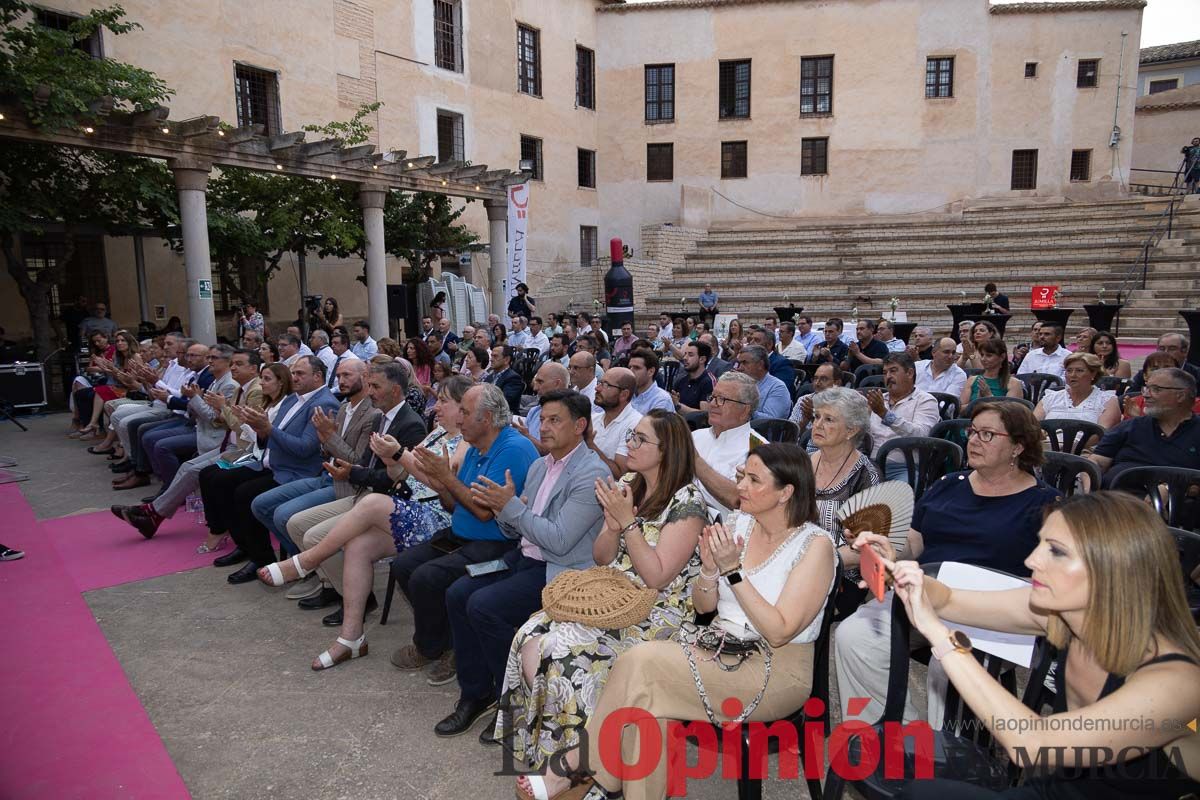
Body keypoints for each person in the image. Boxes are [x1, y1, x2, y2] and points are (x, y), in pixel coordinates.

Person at [523, 444, 838, 800]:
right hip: (720, 648)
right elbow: (705, 606)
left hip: (775, 671)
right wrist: (708, 570)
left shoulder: (815, 546)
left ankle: (574, 768)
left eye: (754, 480)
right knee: (647, 710)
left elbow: (779, 631)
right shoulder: (741, 525)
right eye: (742, 477)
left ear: (786, 493)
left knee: (643, 661)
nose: (741, 487)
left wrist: (733, 572)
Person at [886, 492, 1200, 800]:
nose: (1031, 560)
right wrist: (898, 573)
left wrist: (939, 635)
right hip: (1055, 790)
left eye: (1057, 551)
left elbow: (1031, 742)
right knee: (918, 792)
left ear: (1115, 568)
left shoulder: (1176, 682)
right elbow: (949, 599)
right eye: (1040, 544)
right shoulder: (1063, 615)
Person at [495, 410, 707, 769]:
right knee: (529, 637)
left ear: (667, 450)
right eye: (632, 436)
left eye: (640, 439)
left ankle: (581, 763)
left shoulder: (688, 503)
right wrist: (611, 528)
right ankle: (576, 751)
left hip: (658, 611)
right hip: (612, 595)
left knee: (561, 653)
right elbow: (602, 556)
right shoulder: (630, 482)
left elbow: (657, 577)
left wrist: (628, 523)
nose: (630, 444)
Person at [837, 399, 1060, 725]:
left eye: (987, 435)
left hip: (993, 610)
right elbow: (917, 540)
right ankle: (898, 736)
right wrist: (891, 549)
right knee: (854, 635)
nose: (973, 440)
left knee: (951, 660)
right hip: (926, 592)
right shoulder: (948, 485)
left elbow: (1048, 579)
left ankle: (948, 757)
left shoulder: (1042, 503)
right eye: (972, 432)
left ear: (1018, 446)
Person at [259, 376, 471, 669]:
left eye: (444, 401)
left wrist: (399, 455)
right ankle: (351, 638)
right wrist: (391, 457)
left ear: (465, 407)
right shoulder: (436, 435)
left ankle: (306, 561)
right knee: (358, 545)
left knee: (371, 503)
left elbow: (440, 483)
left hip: (440, 517)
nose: (437, 407)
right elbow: (401, 475)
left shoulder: (466, 442)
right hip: (408, 507)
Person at [435, 390, 611, 737]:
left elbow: (560, 540)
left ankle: (515, 703)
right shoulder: (539, 465)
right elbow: (515, 524)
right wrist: (504, 508)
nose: (544, 427)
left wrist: (511, 507)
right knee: (458, 593)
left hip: (559, 570)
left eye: (554, 420)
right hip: (524, 556)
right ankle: (475, 693)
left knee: (484, 606)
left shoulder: (592, 473)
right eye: (542, 419)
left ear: (580, 426)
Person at [389, 384, 539, 679]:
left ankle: (447, 647)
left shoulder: (512, 449)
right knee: (403, 565)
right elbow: (452, 505)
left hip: (497, 544)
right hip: (460, 536)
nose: (458, 421)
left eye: (466, 413)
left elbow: (484, 512)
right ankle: (441, 642)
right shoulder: (475, 444)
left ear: (486, 418)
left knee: (428, 578)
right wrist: (443, 480)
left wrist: (446, 477)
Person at [198, 356, 341, 581]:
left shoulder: (323, 403)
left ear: (317, 376)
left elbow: (305, 449)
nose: (294, 378)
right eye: (293, 373)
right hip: (273, 463)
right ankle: (246, 545)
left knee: (244, 493)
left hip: (298, 471)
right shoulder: (293, 399)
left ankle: (262, 556)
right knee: (217, 480)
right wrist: (259, 428)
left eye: (300, 374)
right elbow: (269, 437)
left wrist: (268, 429)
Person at [112, 348, 265, 543]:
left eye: (238, 364)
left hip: (243, 449)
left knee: (192, 468)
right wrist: (212, 406)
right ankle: (153, 513)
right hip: (226, 441)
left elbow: (240, 426)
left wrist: (216, 406)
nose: (233, 367)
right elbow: (221, 419)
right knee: (186, 466)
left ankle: (153, 513)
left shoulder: (253, 390)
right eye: (233, 363)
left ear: (253, 368)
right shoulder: (237, 387)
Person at [809, 387, 879, 611]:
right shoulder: (806, 462)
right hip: (799, 562)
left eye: (828, 419)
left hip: (844, 574)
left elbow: (865, 550)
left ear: (851, 430)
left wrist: (813, 562)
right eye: (816, 416)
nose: (817, 424)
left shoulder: (866, 476)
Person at [1090, 368, 1200, 488]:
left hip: (1174, 503)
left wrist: (1172, 489)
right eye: (1146, 388)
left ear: (1181, 395)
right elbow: (1098, 461)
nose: (1146, 395)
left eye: (1156, 389)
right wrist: (1088, 477)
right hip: (1117, 500)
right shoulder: (1130, 426)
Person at [692, 371, 756, 516]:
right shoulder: (695, 436)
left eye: (722, 399)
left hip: (724, 531)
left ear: (744, 410)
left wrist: (695, 460)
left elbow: (737, 500)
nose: (713, 404)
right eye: (712, 397)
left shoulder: (757, 449)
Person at [866, 353, 940, 479]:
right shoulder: (877, 400)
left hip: (905, 467)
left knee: (901, 496)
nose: (888, 376)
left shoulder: (925, 401)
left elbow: (921, 435)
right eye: (885, 373)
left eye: (893, 371)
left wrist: (885, 414)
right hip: (870, 465)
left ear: (910, 373)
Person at [1034, 352, 1120, 432]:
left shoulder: (1107, 401)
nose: (1072, 375)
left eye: (1079, 370)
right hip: (1047, 445)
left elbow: (1102, 432)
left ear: (1093, 373)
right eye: (1069, 370)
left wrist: (1068, 445)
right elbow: (1032, 427)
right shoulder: (1050, 398)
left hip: (1087, 447)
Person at [588, 367, 643, 478]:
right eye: (600, 382)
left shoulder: (636, 424)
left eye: (606, 385)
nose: (597, 388)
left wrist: (591, 446)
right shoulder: (594, 419)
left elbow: (621, 474)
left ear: (624, 394)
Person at [1122, 353, 1200, 419]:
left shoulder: (1194, 404)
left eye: (1167, 367)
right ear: (1145, 375)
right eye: (1155, 369)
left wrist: (1140, 419)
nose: (1161, 372)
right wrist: (1137, 419)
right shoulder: (1134, 403)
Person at [514, 362, 568, 454]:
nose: (535, 388)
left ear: (557, 383)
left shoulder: (569, 414)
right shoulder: (534, 411)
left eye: (540, 382)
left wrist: (527, 437)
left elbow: (552, 453)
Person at [961, 337, 1024, 406]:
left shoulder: (1013, 383)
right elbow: (960, 410)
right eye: (982, 355)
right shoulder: (972, 380)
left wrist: (989, 397)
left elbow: (1012, 411)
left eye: (989, 355)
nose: (983, 359)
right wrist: (977, 402)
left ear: (1002, 357)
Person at [789, 362, 842, 442]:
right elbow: (791, 435)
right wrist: (805, 420)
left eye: (824, 379)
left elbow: (836, 439)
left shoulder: (844, 405)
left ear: (837, 383)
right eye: (815, 378)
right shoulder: (804, 400)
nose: (817, 383)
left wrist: (815, 417)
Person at [735, 345, 792, 420]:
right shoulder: (739, 383)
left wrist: (740, 408)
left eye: (745, 363)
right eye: (739, 363)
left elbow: (771, 420)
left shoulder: (777, 387)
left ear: (760, 365)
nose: (740, 368)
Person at [1129, 332, 1200, 392]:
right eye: (1162, 349)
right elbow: (1129, 398)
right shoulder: (1145, 373)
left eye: (1172, 349)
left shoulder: (1197, 375)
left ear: (1185, 352)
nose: (1166, 352)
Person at [672, 340, 715, 414]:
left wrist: (678, 405)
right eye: (685, 354)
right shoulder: (681, 379)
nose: (685, 358)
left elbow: (704, 415)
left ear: (702, 359)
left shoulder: (708, 381)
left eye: (690, 355)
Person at [627, 349, 675, 414]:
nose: (631, 371)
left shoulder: (662, 400)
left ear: (651, 372)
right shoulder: (626, 394)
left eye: (637, 368)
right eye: (630, 367)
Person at [487, 344, 524, 416]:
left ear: (506, 360)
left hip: (504, 417)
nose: (491, 359)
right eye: (491, 356)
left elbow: (502, 402)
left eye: (495, 356)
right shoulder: (489, 376)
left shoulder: (513, 378)